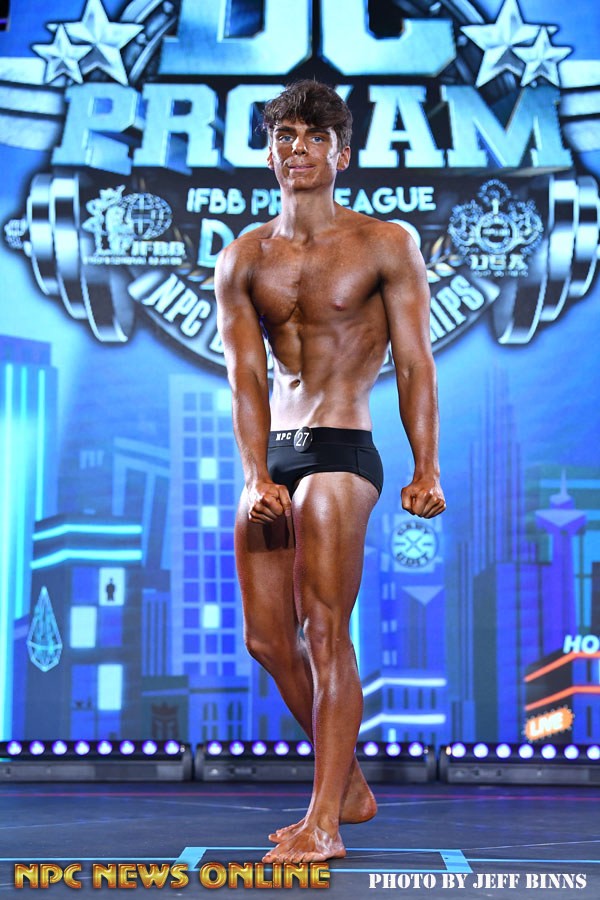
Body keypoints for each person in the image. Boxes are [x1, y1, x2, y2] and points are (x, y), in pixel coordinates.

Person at [215, 80, 446, 864]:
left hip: (344, 448)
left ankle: (324, 824)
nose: (299, 148)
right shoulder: (244, 257)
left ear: (342, 154)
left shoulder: (384, 243)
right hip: (276, 451)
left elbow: (414, 363)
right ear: (268, 153)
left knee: (323, 629)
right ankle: (345, 783)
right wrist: (255, 474)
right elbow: (245, 379)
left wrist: (426, 467)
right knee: (266, 639)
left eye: (316, 136)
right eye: (285, 135)